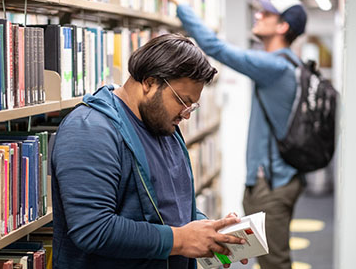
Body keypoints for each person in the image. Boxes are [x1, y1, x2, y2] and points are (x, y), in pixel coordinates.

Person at [51, 33, 248, 269]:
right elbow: (94, 229)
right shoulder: (89, 129)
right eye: (182, 101)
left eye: (192, 107)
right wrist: (181, 240)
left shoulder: (161, 124)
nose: (186, 114)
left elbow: (170, 205)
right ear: (150, 82)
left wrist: (210, 231)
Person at [170, 0, 308, 268]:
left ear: (283, 26)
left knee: (274, 262)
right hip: (278, 178)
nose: (258, 14)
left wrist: (182, 6)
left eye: (266, 13)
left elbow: (215, 48)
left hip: (272, 182)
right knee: (270, 256)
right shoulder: (289, 64)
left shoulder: (275, 67)